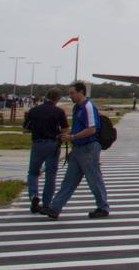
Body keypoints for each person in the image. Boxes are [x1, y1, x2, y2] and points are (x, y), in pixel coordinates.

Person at [42, 81, 109, 219]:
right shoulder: (76, 108)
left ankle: (103, 207)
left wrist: (72, 136)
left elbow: (92, 129)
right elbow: (80, 127)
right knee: (68, 180)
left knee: (94, 179)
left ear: (81, 92)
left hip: (88, 148)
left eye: (72, 93)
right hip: (78, 148)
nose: (70, 96)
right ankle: (55, 208)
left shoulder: (88, 107)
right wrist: (68, 136)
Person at [23, 88, 68, 214]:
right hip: (53, 144)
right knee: (50, 175)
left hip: (37, 143)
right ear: (58, 99)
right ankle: (46, 204)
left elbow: (26, 129)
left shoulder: (34, 110)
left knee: (33, 172)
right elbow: (65, 129)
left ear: (46, 96)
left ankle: (33, 195)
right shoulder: (59, 112)